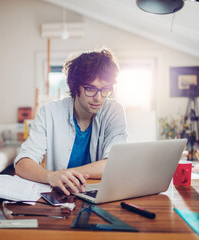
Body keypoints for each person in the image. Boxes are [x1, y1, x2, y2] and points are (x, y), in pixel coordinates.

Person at [15, 48, 128, 195]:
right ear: (75, 86)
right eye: (90, 88)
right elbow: (22, 164)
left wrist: (64, 173)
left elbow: (115, 164)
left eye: (105, 89)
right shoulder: (49, 112)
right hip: (60, 195)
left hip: (99, 194)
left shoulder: (114, 111)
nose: (98, 98)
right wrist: (51, 176)